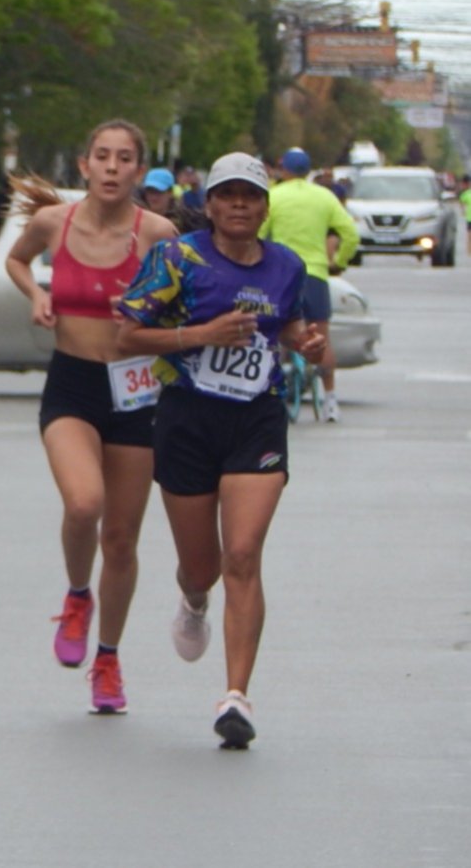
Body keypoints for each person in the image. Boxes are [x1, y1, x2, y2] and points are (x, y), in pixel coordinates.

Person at [115, 152, 326, 750]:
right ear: (208, 205)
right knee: (204, 566)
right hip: (187, 417)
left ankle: (236, 696)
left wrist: (303, 341)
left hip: (256, 420)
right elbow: (127, 333)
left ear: (265, 207)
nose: (239, 205)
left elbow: (284, 325)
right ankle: (192, 596)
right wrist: (200, 336)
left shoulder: (287, 266)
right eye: (228, 195)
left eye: (251, 196)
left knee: (243, 555)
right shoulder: (178, 257)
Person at [4, 119, 177, 715]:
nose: (110, 167)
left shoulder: (158, 234)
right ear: (84, 165)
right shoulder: (56, 222)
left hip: (136, 392)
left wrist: (150, 318)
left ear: (139, 171)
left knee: (122, 539)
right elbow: (17, 261)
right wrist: (38, 295)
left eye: (123, 158)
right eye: (101, 156)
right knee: (84, 503)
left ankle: (108, 659)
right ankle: (78, 595)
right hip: (73, 385)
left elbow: (183, 305)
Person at [258, 147, 359, 423]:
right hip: (314, 274)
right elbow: (350, 233)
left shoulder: (274, 196)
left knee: (275, 337)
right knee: (320, 339)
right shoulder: (325, 197)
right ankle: (330, 400)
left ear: (284, 169)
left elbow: (259, 234)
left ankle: (271, 394)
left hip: (279, 276)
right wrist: (339, 260)